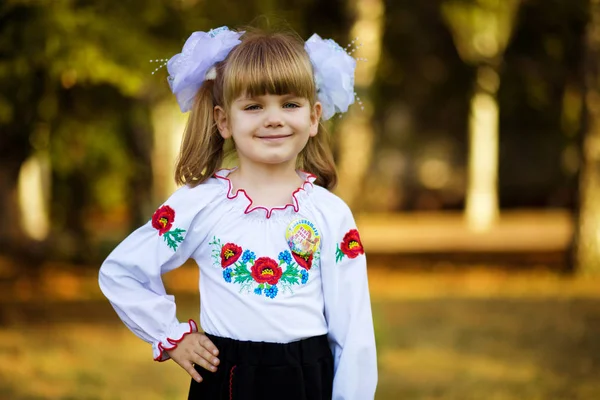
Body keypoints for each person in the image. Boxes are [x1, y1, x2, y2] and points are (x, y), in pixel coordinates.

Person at [99, 25, 377, 400]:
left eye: (290, 104)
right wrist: (171, 337)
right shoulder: (200, 203)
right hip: (225, 380)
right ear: (223, 121)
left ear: (314, 117)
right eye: (253, 106)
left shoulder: (329, 213)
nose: (274, 118)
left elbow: (353, 328)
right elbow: (121, 272)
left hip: (308, 381)